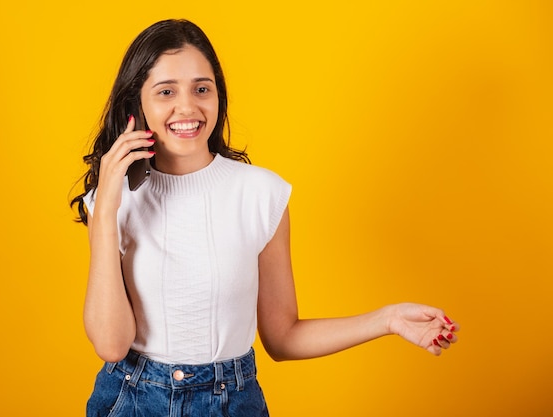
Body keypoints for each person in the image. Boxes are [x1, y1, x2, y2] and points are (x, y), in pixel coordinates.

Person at [71, 18, 460, 417]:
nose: (187, 107)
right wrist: (104, 211)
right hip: (133, 401)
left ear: (218, 96)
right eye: (166, 91)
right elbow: (111, 345)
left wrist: (389, 319)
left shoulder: (261, 194)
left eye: (202, 89)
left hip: (232, 402)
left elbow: (283, 337)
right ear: (137, 104)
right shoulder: (113, 201)